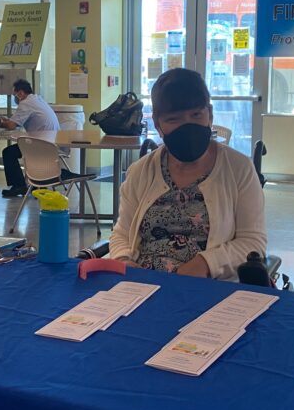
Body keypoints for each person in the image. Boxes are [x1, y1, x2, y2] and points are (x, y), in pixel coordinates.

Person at [110, 68, 266, 281]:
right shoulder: (141, 171)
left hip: (208, 288)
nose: (188, 125)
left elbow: (252, 242)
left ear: (209, 114)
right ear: (158, 123)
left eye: (196, 115)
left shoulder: (239, 168)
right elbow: (122, 233)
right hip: (142, 285)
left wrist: (206, 263)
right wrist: (123, 260)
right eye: (174, 119)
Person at [0, 79, 61, 197]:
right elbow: (16, 121)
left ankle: (18, 186)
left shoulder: (26, 103)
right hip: (52, 143)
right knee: (19, 149)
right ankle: (37, 184)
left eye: (14, 94)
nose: (15, 98)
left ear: (21, 93)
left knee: (8, 153)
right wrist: (9, 121)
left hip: (41, 144)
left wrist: (1, 122)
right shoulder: (38, 99)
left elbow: (11, 125)